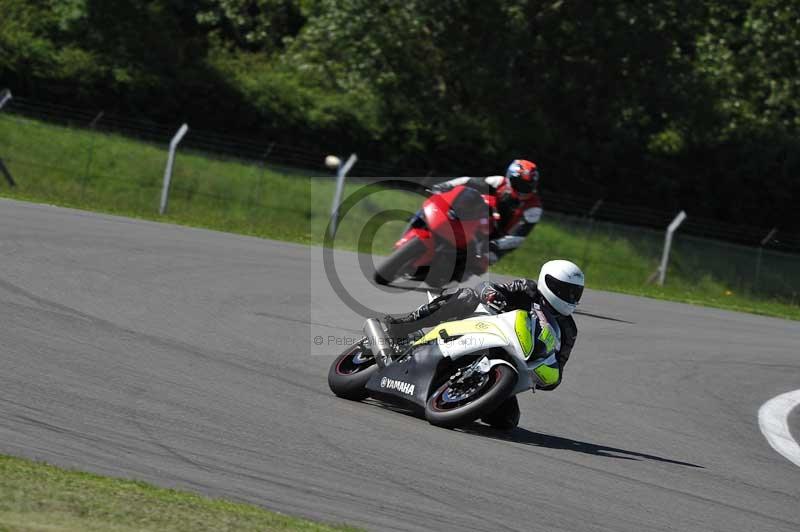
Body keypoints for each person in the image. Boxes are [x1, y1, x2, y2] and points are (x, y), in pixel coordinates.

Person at [383, 260, 584, 428]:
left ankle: (461, 394)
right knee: (467, 295)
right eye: (565, 290)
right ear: (549, 283)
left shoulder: (569, 331)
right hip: (485, 330)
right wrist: (493, 295)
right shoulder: (527, 289)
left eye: (576, 293)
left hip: (513, 361)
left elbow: (558, 367)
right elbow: (488, 288)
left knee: (507, 421)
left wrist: (547, 375)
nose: (571, 297)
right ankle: (405, 325)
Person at [430, 159, 543, 264]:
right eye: (520, 184)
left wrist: (496, 244)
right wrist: (445, 186)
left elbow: (519, 237)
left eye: (527, 186)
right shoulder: (499, 182)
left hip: (498, 239)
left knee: (483, 261)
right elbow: (468, 181)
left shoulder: (534, 208)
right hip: (481, 219)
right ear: (509, 178)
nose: (523, 189)